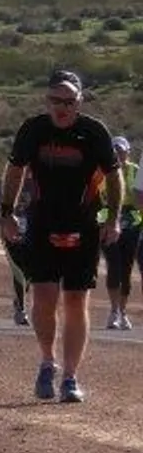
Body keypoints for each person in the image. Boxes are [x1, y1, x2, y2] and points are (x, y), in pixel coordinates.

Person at [0, 70, 123, 403]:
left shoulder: (94, 132)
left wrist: (113, 218)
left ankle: (70, 377)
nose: (61, 107)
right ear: (47, 101)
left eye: (69, 101)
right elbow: (15, 171)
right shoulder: (34, 130)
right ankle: (47, 362)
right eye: (55, 100)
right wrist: (7, 211)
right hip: (42, 221)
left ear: (79, 102)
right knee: (43, 295)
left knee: (75, 299)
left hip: (83, 224)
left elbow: (114, 176)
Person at [103, 136, 139, 330]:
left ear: (127, 152)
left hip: (132, 223)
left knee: (126, 269)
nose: (119, 155)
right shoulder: (102, 170)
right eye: (115, 151)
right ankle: (114, 311)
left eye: (122, 151)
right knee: (113, 266)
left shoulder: (135, 170)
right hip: (108, 221)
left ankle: (123, 312)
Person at [0, 177, 31, 326]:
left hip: (32, 233)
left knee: (30, 273)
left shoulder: (40, 180)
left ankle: (20, 299)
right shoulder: (9, 179)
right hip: (10, 233)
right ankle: (21, 311)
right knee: (18, 271)